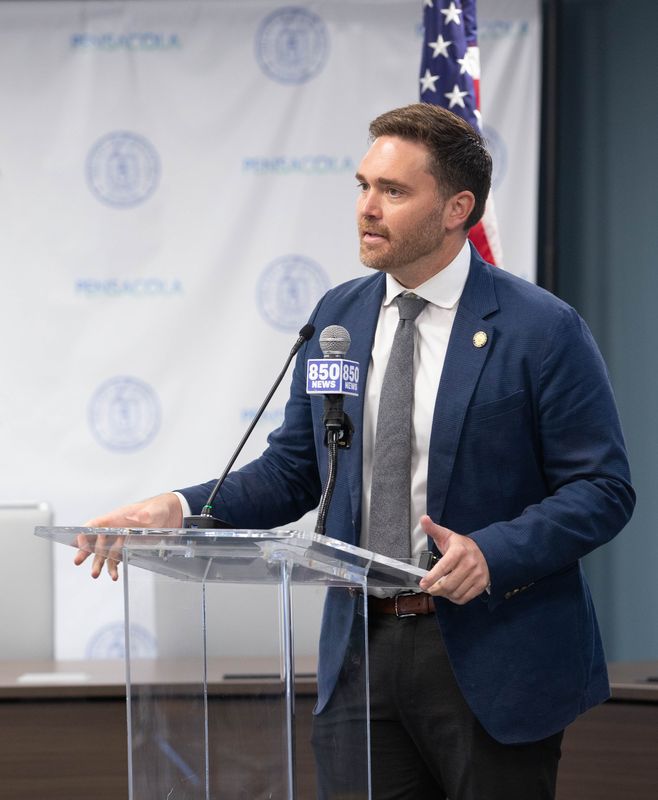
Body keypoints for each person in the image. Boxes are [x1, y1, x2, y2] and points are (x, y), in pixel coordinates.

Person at [76, 103, 635, 799]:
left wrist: (494, 552)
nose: (367, 208)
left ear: (457, 207)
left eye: (393, 192)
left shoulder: (541, 329)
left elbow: (602, 490)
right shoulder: (339, 317)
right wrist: (179, 507)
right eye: (363, 185)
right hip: (360, 655)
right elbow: (296, 469)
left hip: (492, 654)